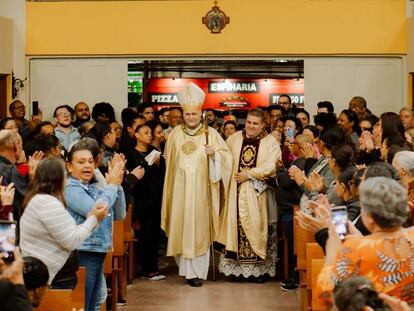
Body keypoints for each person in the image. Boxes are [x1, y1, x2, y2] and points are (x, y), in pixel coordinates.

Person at [161, 82, 232, 287]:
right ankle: (186, 270)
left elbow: (226, 158)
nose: (190, 118)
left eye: (194, 114)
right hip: (180, 192)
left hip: (202, 192)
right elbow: (170, 163)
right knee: (182, 228)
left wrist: (215, 156)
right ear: (183, 115)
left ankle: (197, 273)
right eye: (187, 114)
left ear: (201, 113)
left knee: (199, 229)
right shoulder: (174, 134)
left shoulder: (211, 134)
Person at [315, 177, 414, 307]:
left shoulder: (355, 248)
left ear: (370, 217)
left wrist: (332, 252)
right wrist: (361, 238)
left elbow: (325, 295)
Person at [20, 158, 108, 289]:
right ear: (59, 179)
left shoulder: (41, 199)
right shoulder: (47, 203)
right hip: (43, 275)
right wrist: (94, 219)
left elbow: (68, 232)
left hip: (44, 272)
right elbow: (71, 240)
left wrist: (91, 218)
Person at [217, 108, 280, 283]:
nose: (251, 127)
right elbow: (224, 159)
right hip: (234, 194)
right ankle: (236, 269)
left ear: (263, 125)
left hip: (256, 194)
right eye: (249, 123)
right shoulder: (234, 138)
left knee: (256, 228)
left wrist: (250, 173)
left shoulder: (270, 142)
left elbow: (272, 166)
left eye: (255, 124)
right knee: (235, 228)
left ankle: (257, 271)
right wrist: (214, 156)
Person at [65, 140, 126, 311]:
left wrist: (117, 185)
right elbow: (96, 210)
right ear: (69, 166)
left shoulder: (91, 188)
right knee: (85, 303)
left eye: (90, 162)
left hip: (97, 251)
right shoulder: (69, 188)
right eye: (81, 162)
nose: (87, 166)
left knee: (95, 301)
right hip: (82, 252)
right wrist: (112, 186)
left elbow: (119, 214)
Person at [126, 123, 166, 280]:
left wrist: (159, 164)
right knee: (145, 235)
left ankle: (153, 267)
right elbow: (134, 177)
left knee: (155, 234)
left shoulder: (155, 153)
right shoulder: (131, 155)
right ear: (136, 135)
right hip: (141, 200)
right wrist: (148, 164)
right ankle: (146, 269)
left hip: (156, 199)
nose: (150, 135)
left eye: (151, 133)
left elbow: (162, 175)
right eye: (146, 132)